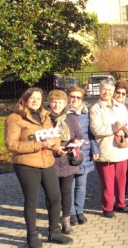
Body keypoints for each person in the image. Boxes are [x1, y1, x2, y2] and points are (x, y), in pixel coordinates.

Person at [4, 87, 73, 248]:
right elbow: (11, 144)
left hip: (47, 162)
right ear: (25, 99)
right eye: (32, 98)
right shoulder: (15, 118)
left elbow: (54, 137)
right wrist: (38, 145)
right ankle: (32, 236)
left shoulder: (45, 116)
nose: (35, 101)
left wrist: (56, 147)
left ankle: (54, 232)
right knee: (31, 201)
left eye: (39, 98)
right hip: (26, 164)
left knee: (55, 198)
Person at [90, 79, 128, 218]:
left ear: (113, 92)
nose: (106, 92)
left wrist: (124, 131)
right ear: (100, 90)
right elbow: (96, 129)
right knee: (108, 182)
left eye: (109, 90)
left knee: (121, 180)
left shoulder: (121, 107)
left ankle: (120, 203)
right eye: (104, 89)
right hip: (106, 149)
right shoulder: (96, 108)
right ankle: (107, 207)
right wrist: (115, 129)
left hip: (121, 148)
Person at [46, 90, 83, 235]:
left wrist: (75, 141)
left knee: (67, 192)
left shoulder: (71, 118)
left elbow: (79, 135)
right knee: (52, 194)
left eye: (60, 102)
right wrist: (55, 148)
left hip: (68, 160)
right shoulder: (44, 118)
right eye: (54, 101)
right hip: (50, 161)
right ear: (49, 102)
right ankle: (53, 223)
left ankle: (66, 221)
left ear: (65, 103)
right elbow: (41, 138)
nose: (56, 105)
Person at [66, 86, 100, 226]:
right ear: (67, 96)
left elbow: (90, 134)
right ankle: (71, 213)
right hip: (68, 155)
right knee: (70, 186)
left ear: (82, 98)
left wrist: (95, 149)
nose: (75, 99)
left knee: (81, 185)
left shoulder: (86, 114)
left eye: (78, 97)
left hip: (84, 154)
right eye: (72, 96)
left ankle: (80, 210)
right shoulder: (63, 114)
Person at [113, 81, 128, 196]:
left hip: (125, 142)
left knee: (124, 172)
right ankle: (114, 198)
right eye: (118, 92)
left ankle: (121, 197)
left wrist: (125, 131)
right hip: (111, 143)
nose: (120, 95)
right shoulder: (109, 105)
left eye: (123, 93)